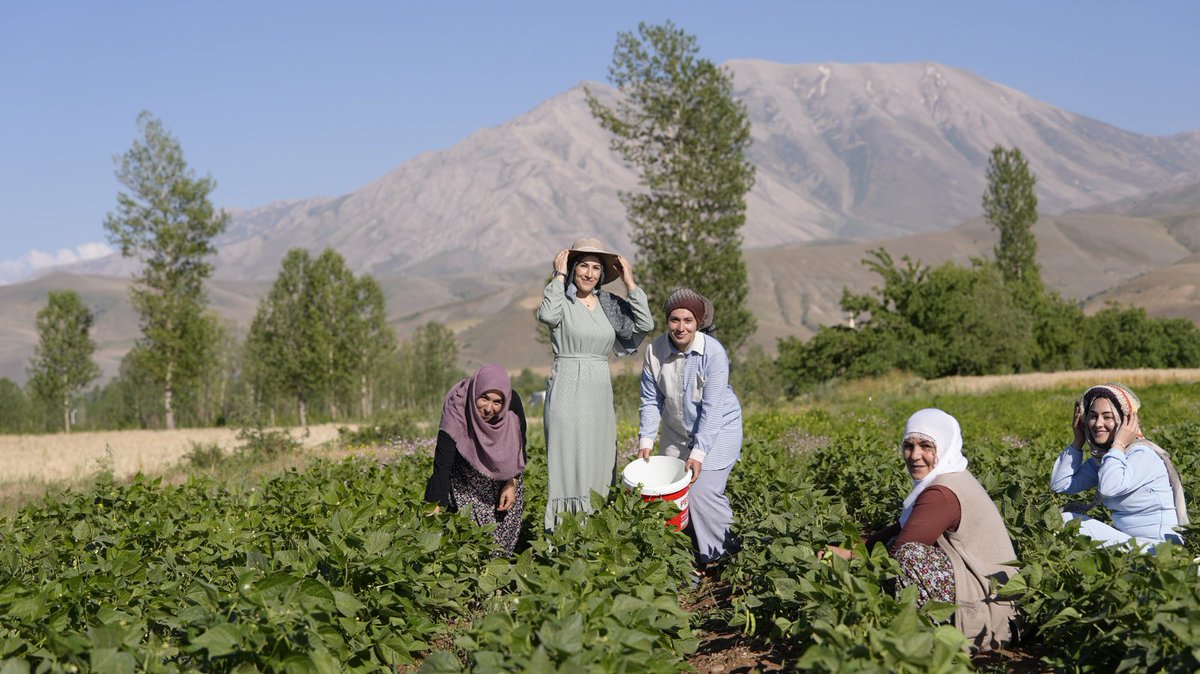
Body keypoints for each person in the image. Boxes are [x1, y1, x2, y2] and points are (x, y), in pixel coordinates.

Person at [824, 409, 1017, 653]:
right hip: (999, 603)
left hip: (989, 617)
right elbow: (902, 528)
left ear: (945, 447)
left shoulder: (941, 493)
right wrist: (856, 548)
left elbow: (896, 554)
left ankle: (924, 640)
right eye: (909, 445)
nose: (915, 455)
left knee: (909, 555)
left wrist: (848, 559)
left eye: (926, 446)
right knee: (901, 545)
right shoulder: (951, 477)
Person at [537, 237, 654, 531]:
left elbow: (645, 325)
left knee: (600, 461)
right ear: (573, 269)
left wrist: (629, 282)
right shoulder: (560, 300)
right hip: (567, 385)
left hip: (599, 391)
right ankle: (564, 536)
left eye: (596, 268)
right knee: (570, 459)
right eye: (583, 266)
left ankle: (597, 533)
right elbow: (546, 315)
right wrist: (558, 275)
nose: (589, 273)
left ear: (602, 274)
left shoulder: (608, 305)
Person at [637, 288, 742, 570]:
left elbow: (711, 409)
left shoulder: (713, 352)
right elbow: (650, 399)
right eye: (674, 320)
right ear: (667, 320)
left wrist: (699, 453)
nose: (680, 327)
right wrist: (646, 439)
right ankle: (686, 558)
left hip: (718, 430)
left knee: (701, 492)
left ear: (697, 322)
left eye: (688, 320)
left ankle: (726, 556)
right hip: (677, 432)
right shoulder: (655, 351)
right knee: (671, 493)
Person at [1051, 383, 1188, 551]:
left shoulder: (1142, 455)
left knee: (1068, 523)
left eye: (1107, 417)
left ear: (1125, 421)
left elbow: (1110, 488)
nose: (1098, 424)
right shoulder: (1106, 459)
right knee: (1064, 520)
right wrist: (1078, 441)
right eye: (1093, 416)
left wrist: (1119, 443)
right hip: (1133, 543)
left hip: (1160, 549)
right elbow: (1060, 484)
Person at [424, 363, 528, 557]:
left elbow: (520, 446)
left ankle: (497, 579)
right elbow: (442, 463)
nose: (489, 408)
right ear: (475, 393)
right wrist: (434, 505)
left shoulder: (512, 405)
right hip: (466, 479)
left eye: (497, 402)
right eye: (484, 398)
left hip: (503, 476)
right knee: (473, 542)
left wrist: (511, 482)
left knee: (501, 544)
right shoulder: (457, 408)